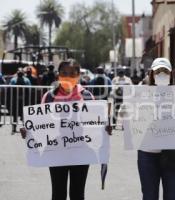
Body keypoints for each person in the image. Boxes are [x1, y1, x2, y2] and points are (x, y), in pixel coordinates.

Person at [20, 59, 112, 200]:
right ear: (58, 75)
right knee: (58, 193)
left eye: (72, 73)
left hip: (81, 152)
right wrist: (29, 132)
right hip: (56, 152)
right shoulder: (49, 97)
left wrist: (105, 128)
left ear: (78, 75)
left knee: (77, 194)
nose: (68, 76)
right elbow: (41, 124)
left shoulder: (87, 97)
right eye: (64, 73)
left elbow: (95, 125)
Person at [137, 58, 175, 200]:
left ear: (170, 75)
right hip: (147, 153)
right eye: (158, 71)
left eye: (165, 71)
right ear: (152, 74)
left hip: (173, 153)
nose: (161, 74)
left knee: (172, 196)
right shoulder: (139, 95)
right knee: (149, 196)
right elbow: (128, 120)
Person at [9, 69, 31, 133]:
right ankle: (25, 128)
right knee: (24, 114)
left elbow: (10, 88)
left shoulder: (13, 80)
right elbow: (30, 88)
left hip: (15, 100)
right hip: (24, 100)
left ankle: (14, 128)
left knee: (15, 115)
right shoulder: (27, 80)